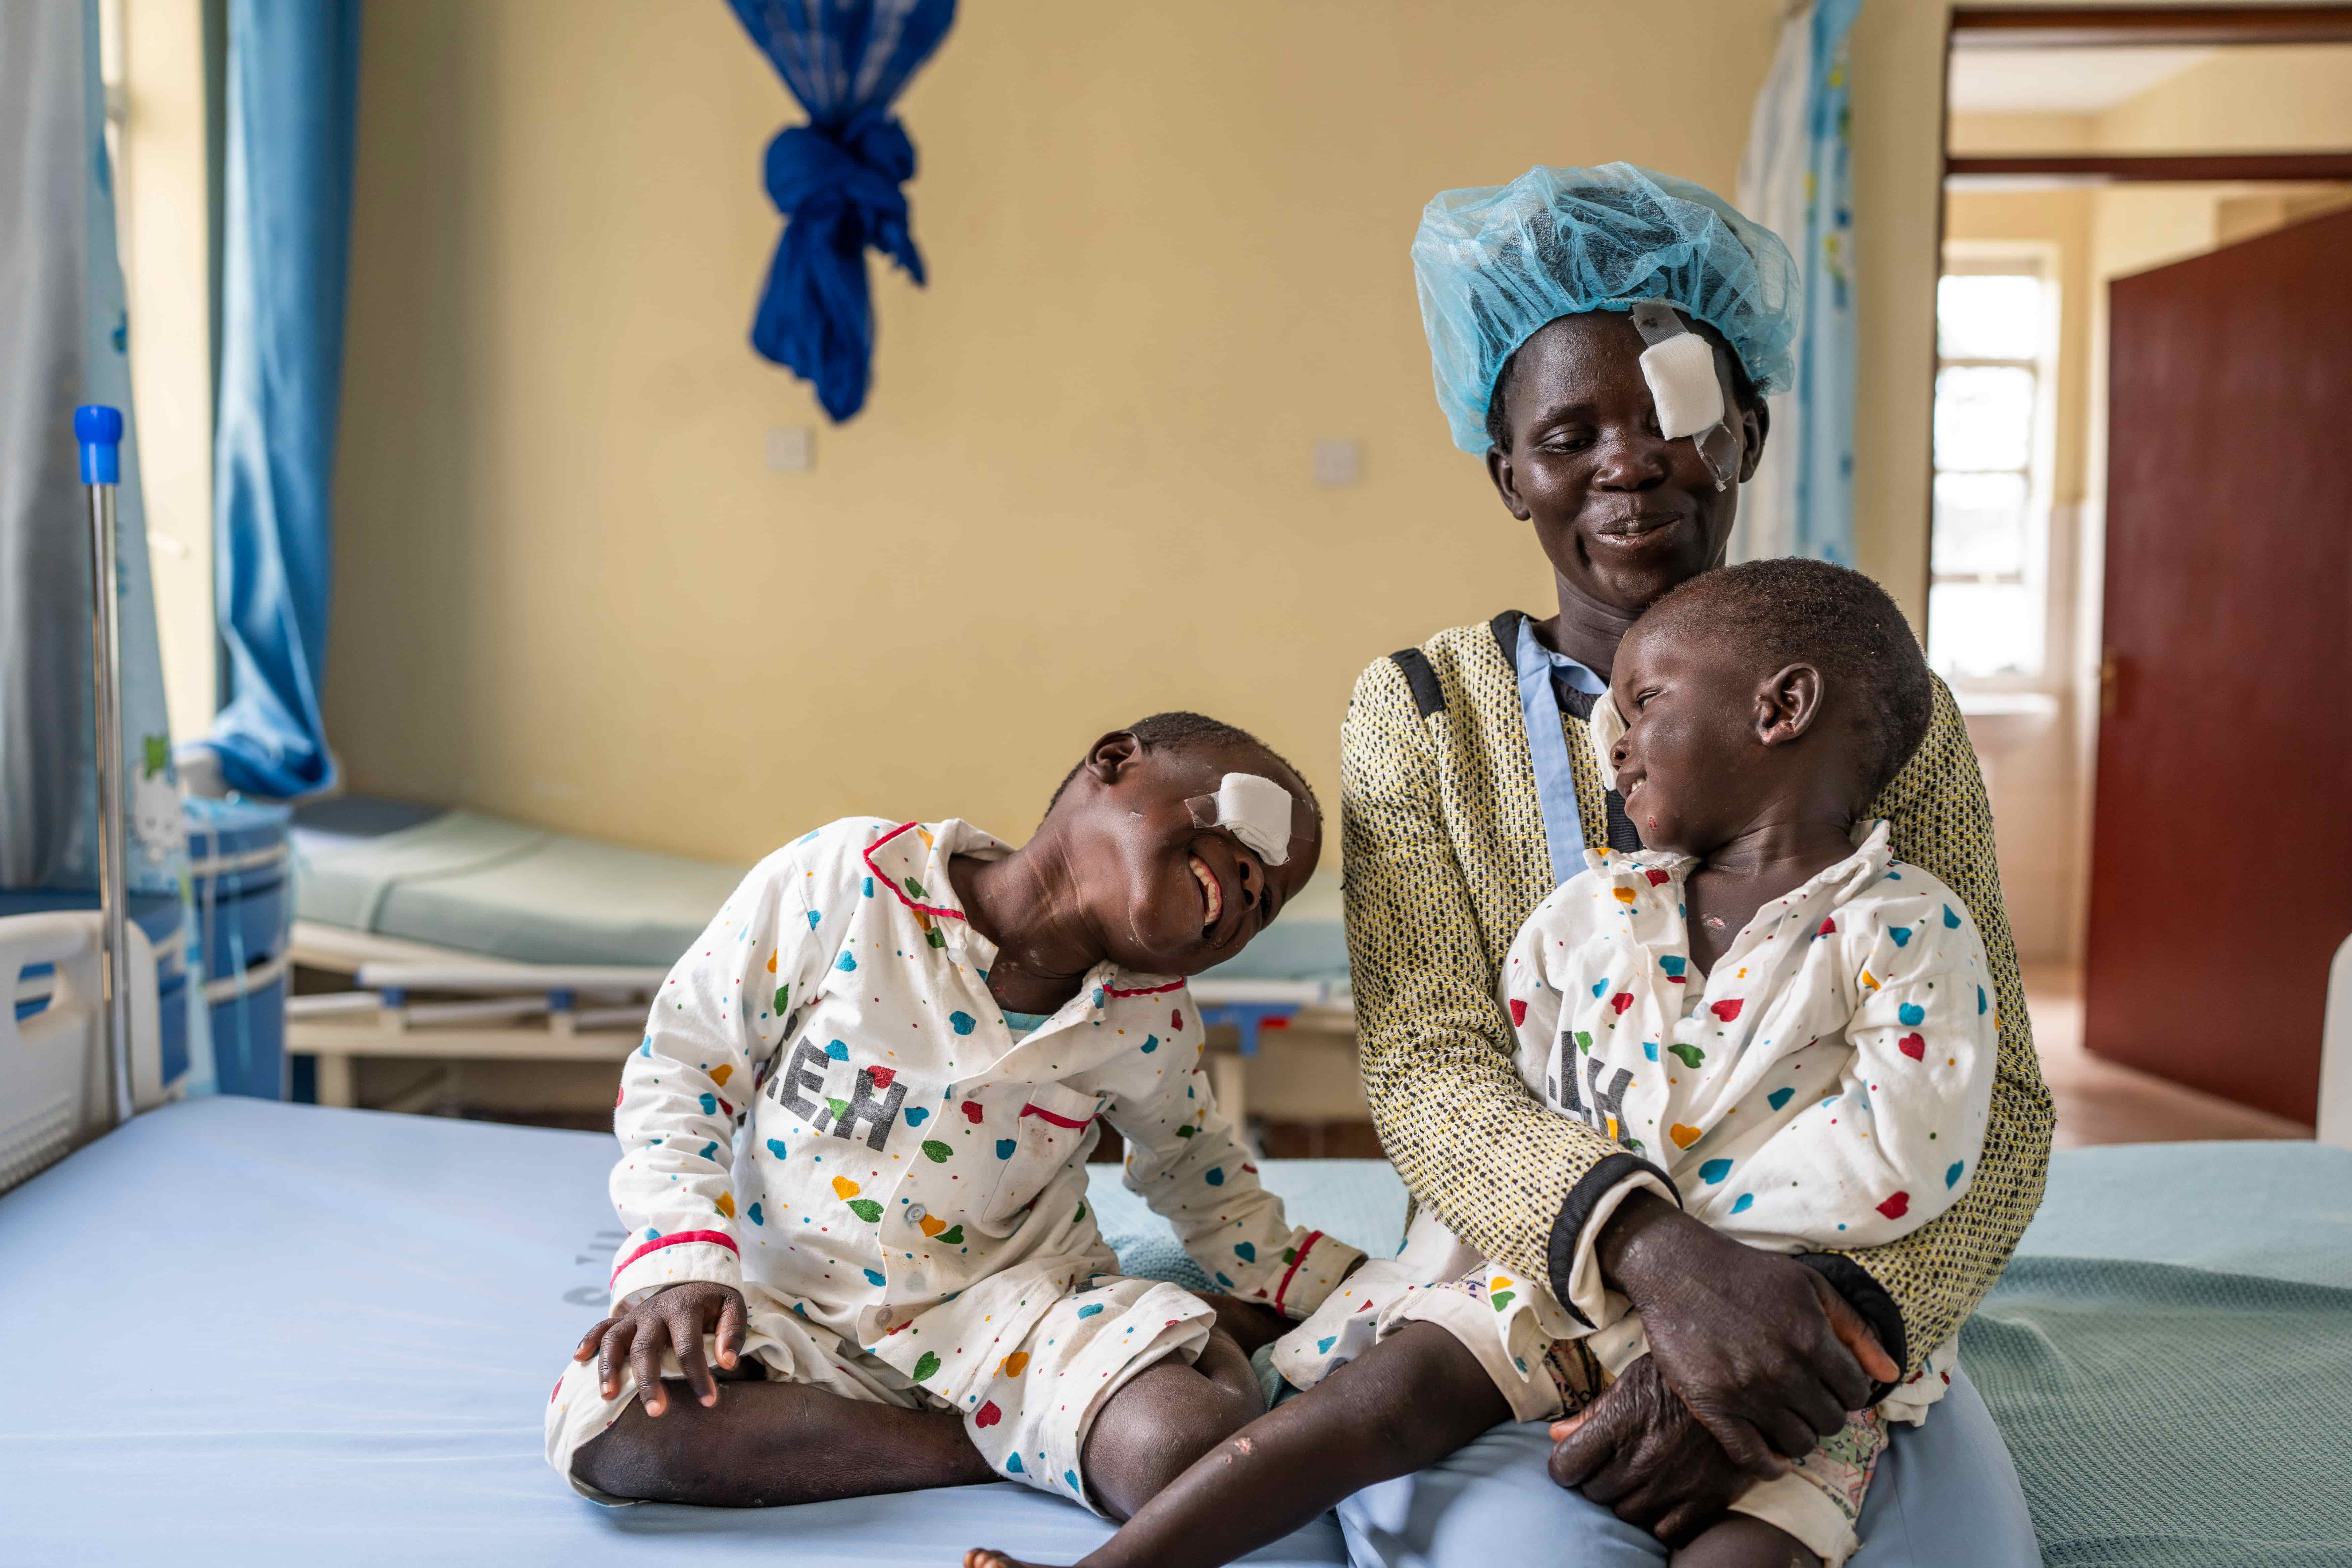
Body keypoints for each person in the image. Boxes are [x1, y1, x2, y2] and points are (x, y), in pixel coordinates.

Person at [964, 559, 1999, 1568]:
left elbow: (1913, 1148)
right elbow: (1474, 1072)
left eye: (1641, 709)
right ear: (1509, 465)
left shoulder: (1899, 930)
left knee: (1760, 1540)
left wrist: (1730, 1274)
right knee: (1376, 1402)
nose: (1614, 750)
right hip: (1562, 1264)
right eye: (1567, 435)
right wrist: (1633, 1241)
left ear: (1783, 710)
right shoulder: (1596, 913)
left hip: (1794, 1312)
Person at [1332, 164, 2049, 1566]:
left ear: (1748, 437)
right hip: (1520, 1294)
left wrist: (1834, 1330)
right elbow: (1428, 1064)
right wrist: (1658, 1264)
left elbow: (2002, 1101)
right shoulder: (1417, 714)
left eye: (1677, 419)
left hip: (1832, 1325)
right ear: (1507, 476)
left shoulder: (1884, 711)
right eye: (1566, 433)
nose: (1629, 458)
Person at [542, 713, 1365, 1519]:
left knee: (1182, 1442)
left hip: (1011, 1318)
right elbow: (683, 1064)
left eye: (1275, 900)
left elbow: (1203, 1178)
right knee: (619, 1429)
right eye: (1256, 827)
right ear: (1115, 760)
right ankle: (992, 1447)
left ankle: (1034, 1407)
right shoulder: (848, 880)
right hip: (781, 1307)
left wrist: (1359, 1286)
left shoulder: (1149, 1019)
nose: (1259, 880)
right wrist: (682, 1262)